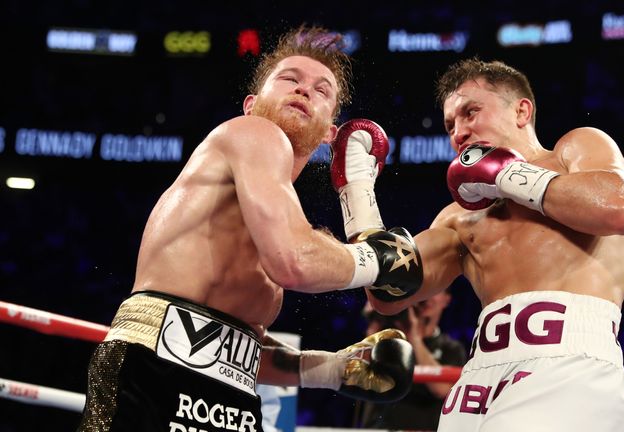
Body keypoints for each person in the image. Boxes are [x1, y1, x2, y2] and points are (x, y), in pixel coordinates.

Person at [77, 26, 423, 432]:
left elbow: (226, 346)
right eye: (289, 79)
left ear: (331, 133)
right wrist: (376, 258)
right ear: (251, 105)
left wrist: (332, 370)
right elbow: (294, 262)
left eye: (321, 90)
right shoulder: (252, 134)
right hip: (155, 377)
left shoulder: (275, 214)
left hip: (232, 397)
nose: (304, 90)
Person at [358, 58, 624, 431]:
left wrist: (509, 173)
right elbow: (387, 292)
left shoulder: (573, 150)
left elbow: (617, 207)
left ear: (522, 111)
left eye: (470, 112)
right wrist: (357, 192)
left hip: (569, 364)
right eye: (450, 125)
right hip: (480, 377)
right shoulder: (457, 217)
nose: (459, 131)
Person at [358, 289, 467, 431]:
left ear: (446, 299)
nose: (427, 298)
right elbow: (359, 369)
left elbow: (443, 389)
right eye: (423, 292)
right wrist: (377, 318)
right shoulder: (390, 339)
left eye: (436, 290)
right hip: (379, 428)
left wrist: (414, 338)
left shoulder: (451, 348)